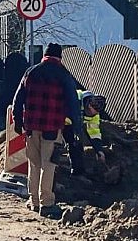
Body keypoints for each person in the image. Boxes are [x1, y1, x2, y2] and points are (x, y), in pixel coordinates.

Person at [12, 43, 79, 217]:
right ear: (59, 57)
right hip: (52, 127)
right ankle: (47, 203)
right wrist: (77, 130)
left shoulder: (30, 72)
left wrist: (18, 122)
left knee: (34, 163)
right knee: (48, 165)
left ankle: (33, 201)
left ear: (44, 56)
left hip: (31, 127)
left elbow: (17, 100)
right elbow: (73, 103)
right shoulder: (63, 75)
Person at [64, 91, 108, 174]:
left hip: (72, 124)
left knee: (76, 143)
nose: (91, 114)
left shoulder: (95, 114)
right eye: (90, 111)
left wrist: (99, 150)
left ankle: (77, 171)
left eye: (94, 113)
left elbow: (94, 132)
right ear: (88, 104)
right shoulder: (74, 99)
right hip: (58, 121)